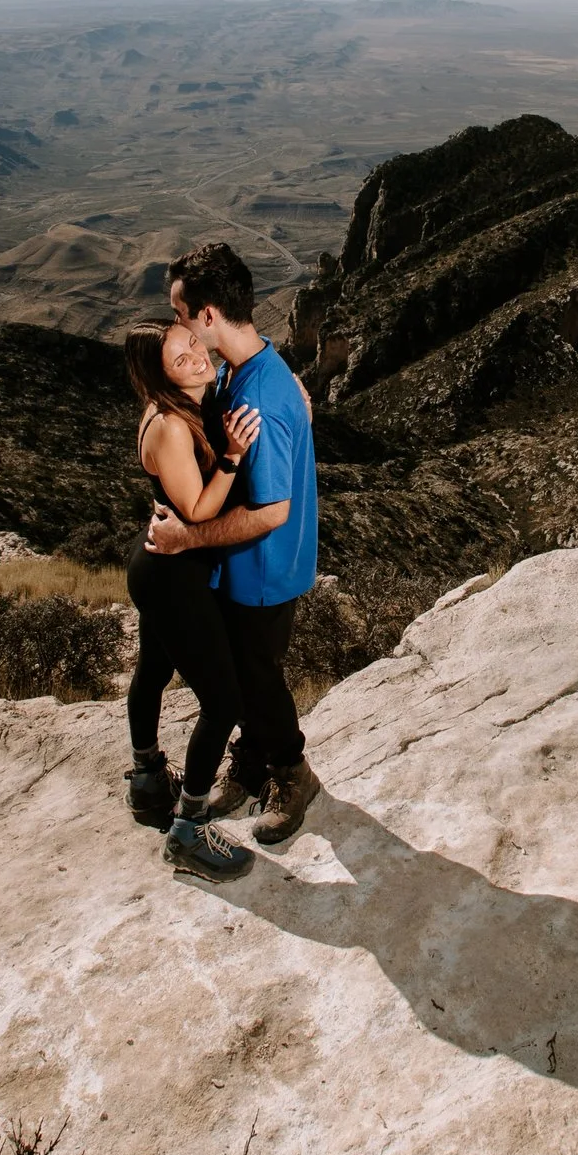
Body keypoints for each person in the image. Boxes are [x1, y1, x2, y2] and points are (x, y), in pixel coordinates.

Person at [146, 242, 322, 848]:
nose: (180, 327)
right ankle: (250, 764)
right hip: (242, 568)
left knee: (258, 679)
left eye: (183, 315)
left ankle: (293, 776)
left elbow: (273, 510)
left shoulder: (258, 399)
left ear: (211, 316)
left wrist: (185, 537)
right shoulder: (244, 369)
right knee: (245, 677)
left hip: (265, 568)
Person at [121, 319, 263, 882]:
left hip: (156, 565)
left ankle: (148, 780)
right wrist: (230, 456)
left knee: (153, 670)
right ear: (157, 376)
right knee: (223, 701)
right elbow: (200, 511)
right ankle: (189, 828)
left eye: (191, 344)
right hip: (172, 574)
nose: (194, 356)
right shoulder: (171, 429)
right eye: (177, 358)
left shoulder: (181, 404)